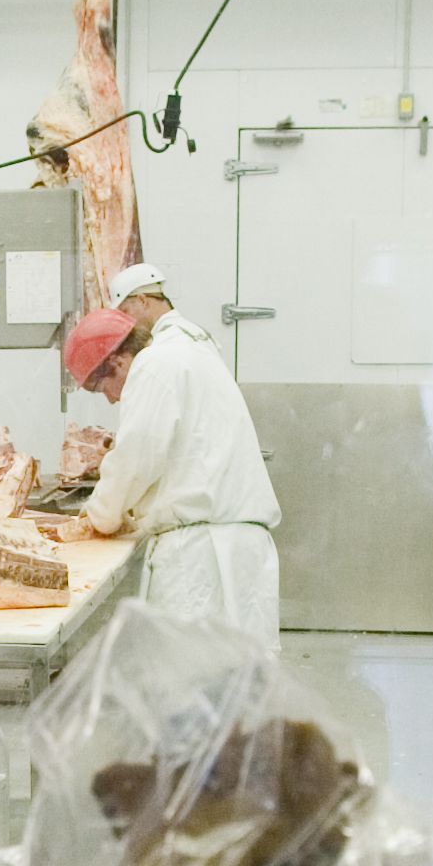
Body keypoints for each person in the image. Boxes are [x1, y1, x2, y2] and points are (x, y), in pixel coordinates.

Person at [66, 261, 282, 646]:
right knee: (239, 676)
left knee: (187, 673)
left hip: (200, 558)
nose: (112, 399)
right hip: (235, 548)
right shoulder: (193, 348)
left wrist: (98, 517)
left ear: (118, 361)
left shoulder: (155, 364)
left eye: (104, 389)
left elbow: (135, 458)